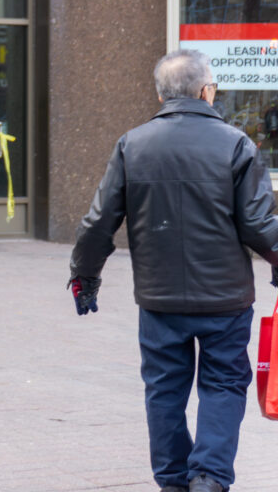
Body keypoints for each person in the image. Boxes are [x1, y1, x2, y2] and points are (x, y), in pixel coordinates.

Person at [69, 49, 278, 492]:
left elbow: (98, 222)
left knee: (164, 389)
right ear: (207, 91)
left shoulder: (133, 143)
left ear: (161, 94)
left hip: (159, 297)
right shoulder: (236, 143)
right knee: (224, 384)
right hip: (225, 298)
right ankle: (208, 477)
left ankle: (172, 479)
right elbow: (260, 225)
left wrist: (84, 278)